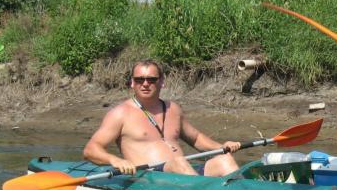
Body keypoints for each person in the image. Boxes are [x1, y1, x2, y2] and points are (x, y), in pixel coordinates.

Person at [83, 59, 241, 176]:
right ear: (132, 83)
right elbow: (91, 149)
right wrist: (116, 160)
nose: (145, 84)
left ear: (161, 82)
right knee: (178, 162)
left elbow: (196, 138)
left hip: (183, 173)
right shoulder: (120, 113)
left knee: (225, 160)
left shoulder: (173, 109)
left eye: (151, 79)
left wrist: (222, 147)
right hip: (149, 177)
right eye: (139, 79)